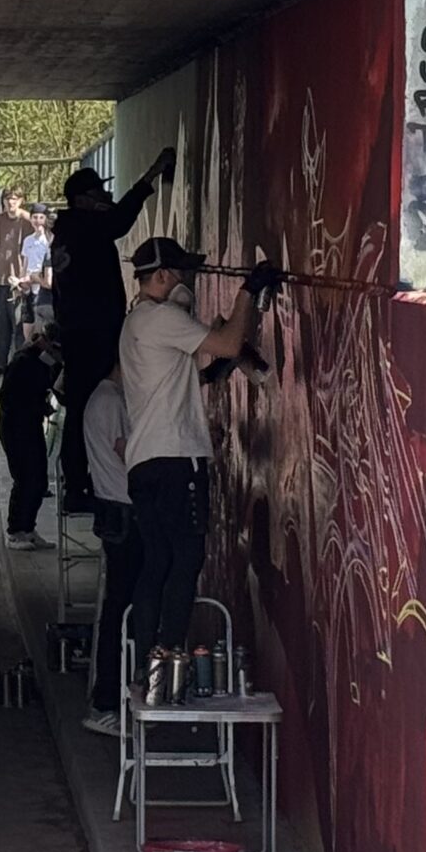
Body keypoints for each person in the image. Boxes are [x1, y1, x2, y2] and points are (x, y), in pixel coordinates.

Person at [119, 237, 282, 703]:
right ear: (162, 276)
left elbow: (179, 375)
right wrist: (249, 289)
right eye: (181, 273)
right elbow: (228, 342)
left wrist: (211, 374)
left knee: (157, 562)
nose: (186, 280)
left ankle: (146, 666)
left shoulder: (135, 324)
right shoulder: (162, 318)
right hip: (177, 459)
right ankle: (170, 657)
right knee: (187, 560)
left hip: (145, 463)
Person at [53, 149, 175, 508]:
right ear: (83, 200)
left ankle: (79, 484)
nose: (106, 196)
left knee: (81, 408)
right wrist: (151, 174)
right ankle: (82, 486)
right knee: (93, 407)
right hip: (93, 335)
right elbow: (120, 221)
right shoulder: (84, 227)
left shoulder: (68, 230)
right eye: (99, 192)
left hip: (78, 334)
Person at [78, 368, 140, 737]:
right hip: (125, 510)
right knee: (123, 609)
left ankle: (111, 696)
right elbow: (127, 453)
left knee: (120, 607)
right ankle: (107, 701)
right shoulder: (111, 400)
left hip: (114, 509)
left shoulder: (102, 399)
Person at [0, 325, 63, 550]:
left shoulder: (43, 363)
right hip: (16, 425)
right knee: (25, 477)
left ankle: (28, 527)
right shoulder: (24, 362)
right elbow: (11, 398)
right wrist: (38, 406)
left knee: (39, 478)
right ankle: (16, 530)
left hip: (31, 424)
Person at [0, 189, 38, 373]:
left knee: (19, 327)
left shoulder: (27, 220)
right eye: (7, 199)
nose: (10, 203)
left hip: (19, 280)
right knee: (1, 325)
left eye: (14, 199)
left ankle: (19, 366)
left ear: (21, 200)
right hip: (1, 278)